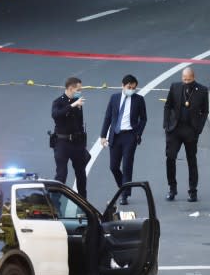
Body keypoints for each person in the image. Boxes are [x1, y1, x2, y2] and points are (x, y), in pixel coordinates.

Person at [163, 67, 209, 202]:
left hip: (191, 130)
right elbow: (167, 105)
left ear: (193, 77)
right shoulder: (175, 87)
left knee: (191, 160)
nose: (186, 82)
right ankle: (172, 188)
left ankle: (192, 190)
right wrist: (166, 124)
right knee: (170, 158)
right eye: (184, 79)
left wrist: (198, 129)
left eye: (189, 79)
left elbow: (205, 111)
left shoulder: (202, 90)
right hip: (174, 129)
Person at [100, 74, 147, 206]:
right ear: (123, 85)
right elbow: (108, 117)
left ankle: (124, 194)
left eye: (133, 88)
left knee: (127, 166)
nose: (131, 90)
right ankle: (123, 187)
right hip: (115, 135)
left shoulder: (139, 100)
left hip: (130, 136)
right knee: (113, 166)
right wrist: (103, 135)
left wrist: (138, 133)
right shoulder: (114, 98)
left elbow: (143, 119)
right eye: (129, 87)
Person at [51, 77, 89, 199]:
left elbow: (80, 122)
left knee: (81, 174)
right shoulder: (58, 102)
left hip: (77, 143)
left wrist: (83, 144)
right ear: (71, 88)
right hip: (62, 142)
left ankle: (84, 203)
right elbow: (56, 115)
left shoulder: (78, 101)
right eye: (78, 89)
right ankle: (55, 204)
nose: (80, 92)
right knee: (61, 175)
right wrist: (72, 105)